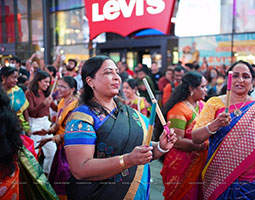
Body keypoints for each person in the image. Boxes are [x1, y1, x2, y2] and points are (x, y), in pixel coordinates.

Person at [63, 55, 177, 200]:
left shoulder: (131, 114)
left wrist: (161, 147)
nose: (117, 77)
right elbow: (80, 169)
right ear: (90, 81)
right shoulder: (82, 119)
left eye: (117, 72)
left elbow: (142, 151)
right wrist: (128, 160)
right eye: (108, 72)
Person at [192, 60, 255, 200]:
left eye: (245, 76)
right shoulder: (215, 103)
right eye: (235, 76)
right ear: (228, 79)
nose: (240, 80)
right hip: (219, 178)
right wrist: (215, 125)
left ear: (252, 82)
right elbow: (195, 137)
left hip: (252, 182)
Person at [160, 71, 208, 200]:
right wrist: (202, 145)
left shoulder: (203, 106)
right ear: (192, 88)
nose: (206, 90)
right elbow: (177, 141)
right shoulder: (179, 109)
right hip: (181, 164)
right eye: (203, 87)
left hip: (200, 163)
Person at [35, 76, 78, 200]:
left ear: (72, 89)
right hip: (61, 145)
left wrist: (49, 139)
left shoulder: (76, 105)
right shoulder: (63, 101)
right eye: (58, 85)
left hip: (70, 147)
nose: (59, 89)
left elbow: (72, 131)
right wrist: (48, 131)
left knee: (64, 176)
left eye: (63, 87)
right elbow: (59, 123)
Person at [25, 70, 57, 175]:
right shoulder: (29, 93)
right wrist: (43, 104)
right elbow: (31, 111)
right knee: (33, 152)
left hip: (46, 123)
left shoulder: (46, 93)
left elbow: (55, 108)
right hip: (35, 123)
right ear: (38, 81)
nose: (48, 85)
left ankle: (46, 173)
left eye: (49, 82)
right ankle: (34, 176)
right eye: (45, 82)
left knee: (52, 150)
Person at [0, 67, 31, 134]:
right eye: (13, 77)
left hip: (18, 126)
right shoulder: (1, 92)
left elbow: (25, 110)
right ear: (3, 78)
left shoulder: (18, 91)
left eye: (17, 77)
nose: (16, 80)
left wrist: (27, 128)